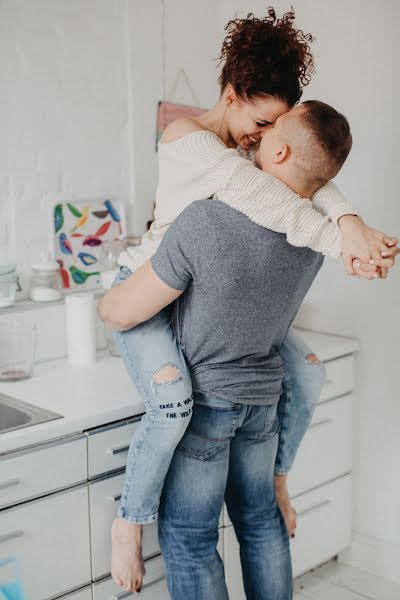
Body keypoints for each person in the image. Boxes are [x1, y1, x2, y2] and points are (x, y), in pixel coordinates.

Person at [98, 9, 398, 594]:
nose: (263, 138)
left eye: (275, 131)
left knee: (307, 379)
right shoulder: (189, 139)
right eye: (262, 121)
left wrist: (352, 220)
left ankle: (278, 480)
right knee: (174, 403)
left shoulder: (253, 150)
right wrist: (344, 241)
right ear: (232, 94)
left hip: (206, 305)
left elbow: (310, 175)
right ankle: (131, 519)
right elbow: (274, 194)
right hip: (160, 289)